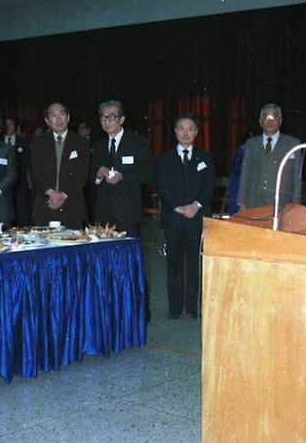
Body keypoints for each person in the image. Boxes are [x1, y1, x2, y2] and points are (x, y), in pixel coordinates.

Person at [155, 114, 215, 318]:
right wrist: (176, 207)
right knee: (174, 265)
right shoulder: (165, 158)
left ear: (196, 133)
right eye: (181, 128)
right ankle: (175, 308)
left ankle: (193, 307)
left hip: (196, 218)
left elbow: (209, 186)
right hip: (173, 218)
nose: (186, 133)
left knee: (195, 265)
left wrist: (196, 205)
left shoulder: (205, 158)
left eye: (190, 129)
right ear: (175, 132)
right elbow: (161, 185)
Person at [90, 100, 153, 237]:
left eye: (111, 117)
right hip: (103, 212)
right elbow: (91, 178)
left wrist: (123, 176)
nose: (107, 122)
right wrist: (98, 175)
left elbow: (147, 173)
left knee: (127, 254)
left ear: (122, 119)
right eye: (103, 118)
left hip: (128, 212)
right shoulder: (99, 146)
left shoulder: (138, 143)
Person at [30, 103, 90, 228]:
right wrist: (51, 193)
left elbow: (82, 175)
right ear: (47, 120)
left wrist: (63, 196)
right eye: (53, 115)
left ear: (68, 117)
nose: (58, 119)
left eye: (62, 114)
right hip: (45, 205)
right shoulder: (38, 143)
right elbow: (35, 172)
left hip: (72, 207)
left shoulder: (81, 143)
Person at [236, 103, 301, 211]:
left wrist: (296, 206)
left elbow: (297, 179)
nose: (270, 120)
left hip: (283, 206)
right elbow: (244, 174)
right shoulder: (251, 144)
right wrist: (242, 203)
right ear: (260, 121)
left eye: (274, 117)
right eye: (266, 117)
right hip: (254, 204)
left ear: (280, 121)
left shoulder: (293, 144)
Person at [3, 117, 32, 226]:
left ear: (15, 126)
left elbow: (28, 163)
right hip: (3, 185)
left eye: (11, 123)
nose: (9, 126)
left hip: (21, 184)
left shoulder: (23, 142)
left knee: (22, 214)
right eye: (6, 124)